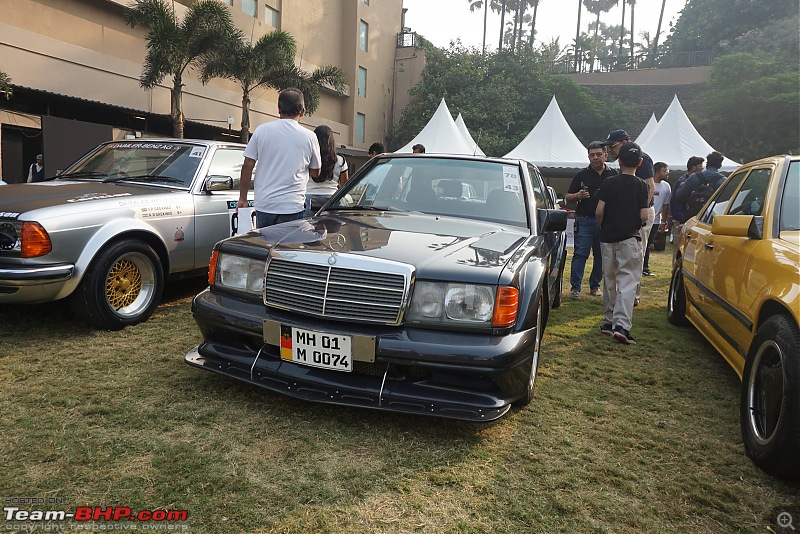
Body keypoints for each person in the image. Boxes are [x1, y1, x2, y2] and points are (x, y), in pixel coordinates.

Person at [237, 88, 321, 229]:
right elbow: (315, 172)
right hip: (292, 206)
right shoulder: (310, 137)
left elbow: (247, 166)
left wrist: (243, 198)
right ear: (303, 111)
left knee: (265, 248)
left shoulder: (261, 130)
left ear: (279, 108)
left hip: (265, 204)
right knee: (286, 249)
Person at [595, 142, 649, 345]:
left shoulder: (609, 183)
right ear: (640, 162)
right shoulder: (642, 185)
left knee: (609, 280)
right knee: (627, 282)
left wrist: (604, 225)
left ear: (618, 160)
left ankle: (608, 322)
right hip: (630, 238)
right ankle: (621, 326)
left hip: (608, 238)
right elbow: (644, 214)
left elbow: (599, 211)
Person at [603, 129, 655, 306]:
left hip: (640, 214)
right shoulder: (622, 164)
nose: (610, 150)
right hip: (626, 214)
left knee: (636, 256)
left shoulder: (643, 159)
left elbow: (650, 187)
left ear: (625, 142)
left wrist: (639, 216)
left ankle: (633, 296)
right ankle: (619, 296)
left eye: (612, 146)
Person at [564, 141, 617, 299]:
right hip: (585, 219)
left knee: (601, 255)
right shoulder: (581, 175)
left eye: (599, 154)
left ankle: (595, 286)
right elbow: (567, 198)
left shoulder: (613, 175)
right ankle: (575, 288)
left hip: (606, 222)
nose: (595, 158)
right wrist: (577, 196)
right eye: (592, 155)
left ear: (606, 156)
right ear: (588, 157)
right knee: (580, 254)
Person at [305, 125, 349, 217]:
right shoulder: (340, 160)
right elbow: (345, 185)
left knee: (307, 229)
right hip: (332, 200)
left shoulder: (307, 158)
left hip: (308, 200)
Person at [674, 151, 726, 219]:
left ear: (707, 164)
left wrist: (682, 184)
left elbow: (679, 195)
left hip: (693, 217)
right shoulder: (723, 180)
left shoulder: (694, 177)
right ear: (720, 165)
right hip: (711, 218)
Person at [643, 162, 672, 276]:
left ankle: (645, 267)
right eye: (665, 171)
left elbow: (666, 205)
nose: (667, 173)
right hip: (645, 216)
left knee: (649, 243)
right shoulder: (648, 183)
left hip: (656, 220)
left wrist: (663, 221)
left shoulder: (666, 186)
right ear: (657, 172)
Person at [670, 156, 704, 226]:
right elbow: (676, 202)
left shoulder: (700, 181)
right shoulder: (682, 182)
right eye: (700, 166)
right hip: (683, 220)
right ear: (694, 168)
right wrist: (682, 220)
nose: (702, 168)